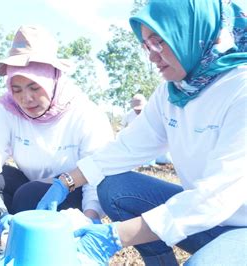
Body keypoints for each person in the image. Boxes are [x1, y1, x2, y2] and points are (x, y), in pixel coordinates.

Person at [39, 0, 247, 265]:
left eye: (159, 40)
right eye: (146, 45)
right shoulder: (172, 93)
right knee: (114, 186)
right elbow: (125, 149)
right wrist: (65, 182)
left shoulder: (241, 87)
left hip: (240, 225)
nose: (151, 55)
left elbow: (218, 195)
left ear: (192, 31)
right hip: (203, 217)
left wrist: (115, 236)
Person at [0, 25, 114, 236]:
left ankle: (53, 234)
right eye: (17, 90)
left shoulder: (84, 113)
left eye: (35, 87)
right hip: (32, 185)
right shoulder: (9, 109)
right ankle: (14, 231)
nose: (26, 98)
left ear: (52, 79)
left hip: (75, 192)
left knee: (29, 195)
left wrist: (90, 218)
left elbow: (97, 171)